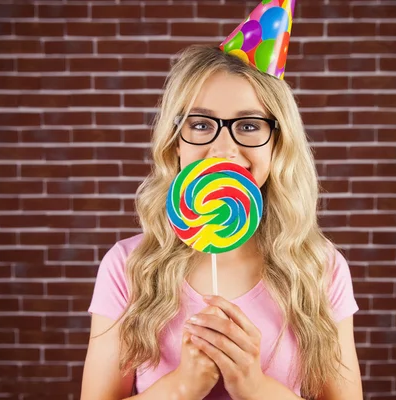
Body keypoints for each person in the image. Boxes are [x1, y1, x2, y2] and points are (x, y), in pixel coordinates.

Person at [82, 3, 363, 400]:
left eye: (249, 125)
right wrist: (182, 387)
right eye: (200, 124)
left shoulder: (320, 268)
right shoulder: (127, 269)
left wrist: (253, 385)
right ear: (174, 141)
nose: (223, 149)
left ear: (278, 144)